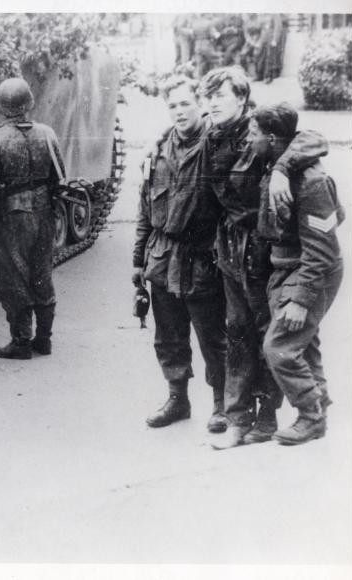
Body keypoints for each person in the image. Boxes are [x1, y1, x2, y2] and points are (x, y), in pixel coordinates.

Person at [197, 67, 328, 449]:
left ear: (241, 98)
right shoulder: (212, 133)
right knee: (236, 333)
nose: (212, 104)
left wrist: (284, 168)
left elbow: (312, 137)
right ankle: (238, 418)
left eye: (219, 96)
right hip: (229, 250)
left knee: (265, 334)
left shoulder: (262, 127)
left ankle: (268, 416)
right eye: (208, 98)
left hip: (263, 250)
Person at [132, 76, 228, 433]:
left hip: (202, 257)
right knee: (168, 336)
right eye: (172, 105)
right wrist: (137, 261)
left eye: (185, 103)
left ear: (200, 103)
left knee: (212, 336)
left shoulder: (217, 143)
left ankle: (221, 404)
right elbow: (144, 209)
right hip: (161, 257)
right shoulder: (158, 149)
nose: (178, 111)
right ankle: (178, 398)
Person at [250, 103, 343, 445]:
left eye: (253, 134)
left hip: (311, 271)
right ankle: (319, 403)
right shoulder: (276, 165)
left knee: (280, 348)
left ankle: (310, 417)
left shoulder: (312, 182)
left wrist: (302, 299)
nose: (248, 140)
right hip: (287, 267)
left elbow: (322, 249)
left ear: (272, 138)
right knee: (304, 342)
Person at [0, 78, 64, 359]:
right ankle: (44, 339)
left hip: (12, 218)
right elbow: (59, 176)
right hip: (44, 212)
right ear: (28, 104)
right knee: (42, 274)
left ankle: (21, 342)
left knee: (14, 277)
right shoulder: (47, 133)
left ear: (2, 108)